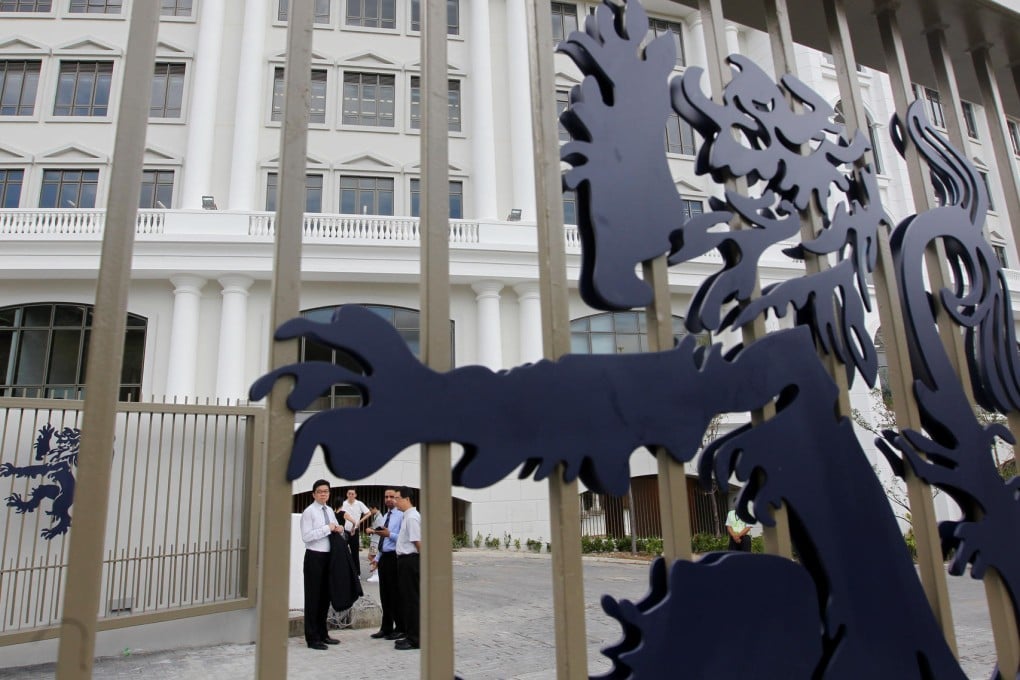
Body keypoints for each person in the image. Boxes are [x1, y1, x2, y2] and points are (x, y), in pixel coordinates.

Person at [299, 479, 344, 650]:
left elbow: (334, 527)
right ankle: (312, 637)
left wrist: (338, 528)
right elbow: (306, 536)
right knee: (313, 597)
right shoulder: (309, 512)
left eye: (326, 491)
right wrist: (328, 528)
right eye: (320, 491)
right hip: (315, 557)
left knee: (325, 596)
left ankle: (323, 633)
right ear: (314, 494)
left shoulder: (330, 510)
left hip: (329, 556)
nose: (323, 494)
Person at [367, 488, 404, 639]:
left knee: (395, 595)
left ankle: (400, 627)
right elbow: (383, 540)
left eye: (392, 497)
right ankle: (386, 627)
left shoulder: (402, 516)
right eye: (386, 497)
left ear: (397, 498)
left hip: (395, 557)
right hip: (385, 557)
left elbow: (404, 537)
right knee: (385, 594)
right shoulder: (386, 516)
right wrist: (377, 559)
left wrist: (390, 534)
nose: (389, 499)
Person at [393, 486, 421, 650]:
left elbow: (418, 543)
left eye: (397, 498)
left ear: (406, 499)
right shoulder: (407, 516)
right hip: (405, 561)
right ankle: (411, 634)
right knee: (407, 600)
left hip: (410, 561)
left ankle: (415, 639)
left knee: (412, 600)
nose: (395, 501)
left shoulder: (412, 518)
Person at [340, 488, 370, 577]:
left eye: (352, 494)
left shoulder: (359, 503)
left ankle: (357, 573)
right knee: (343, 552)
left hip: (355, 531)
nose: (351, 495)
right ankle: (345, 571)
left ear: (355, 495)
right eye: (349, 493)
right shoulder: (344, 504)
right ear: (346, 494)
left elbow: (368, 513)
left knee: (355, 552)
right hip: (345, 531)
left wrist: (360, 521)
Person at [366, 505, 383, 582]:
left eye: (371, 509)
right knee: (373, 556)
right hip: (375, 540)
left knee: (371, 556)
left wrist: (370, 530)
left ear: (375, 508)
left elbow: (380, 530)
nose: (370, 511)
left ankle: (376, 574)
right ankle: (376, 574)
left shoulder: (380, 518)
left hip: (376, 540)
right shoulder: (377, 516)